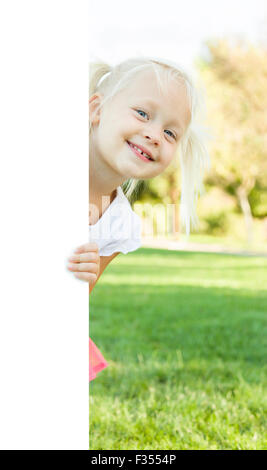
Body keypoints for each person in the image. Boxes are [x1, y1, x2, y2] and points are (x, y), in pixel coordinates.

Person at [67, 56, 211, 381]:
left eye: (171, 133)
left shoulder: (119, 223)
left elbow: (80, 295)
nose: (154, 135)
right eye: (143, 114)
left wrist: (86, 276)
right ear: (97, 110)